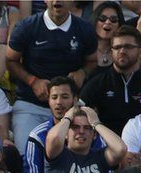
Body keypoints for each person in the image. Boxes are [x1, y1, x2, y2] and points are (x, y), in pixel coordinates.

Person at [6, 0, 98, 154]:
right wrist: (32, 81)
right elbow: (10, 60)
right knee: (26, 153)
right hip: (31, 105)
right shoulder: (26, 26)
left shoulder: (85, 29)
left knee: (84, 152)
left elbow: (93, 61)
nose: (57, 1)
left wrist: (82, 73)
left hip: (71, 107)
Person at [80, 26, 141, 136]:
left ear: (140, 51)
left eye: (128, 47)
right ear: (111, 52)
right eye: (117, 47)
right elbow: (79, 112)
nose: (122, 51)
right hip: (108, 146)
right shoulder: (97, 83)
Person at [91, 1, 125, 69]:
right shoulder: (84, 48)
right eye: (102, 18)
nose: (108, 22)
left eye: (113, 19)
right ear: (95, 20)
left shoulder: (123, 51)